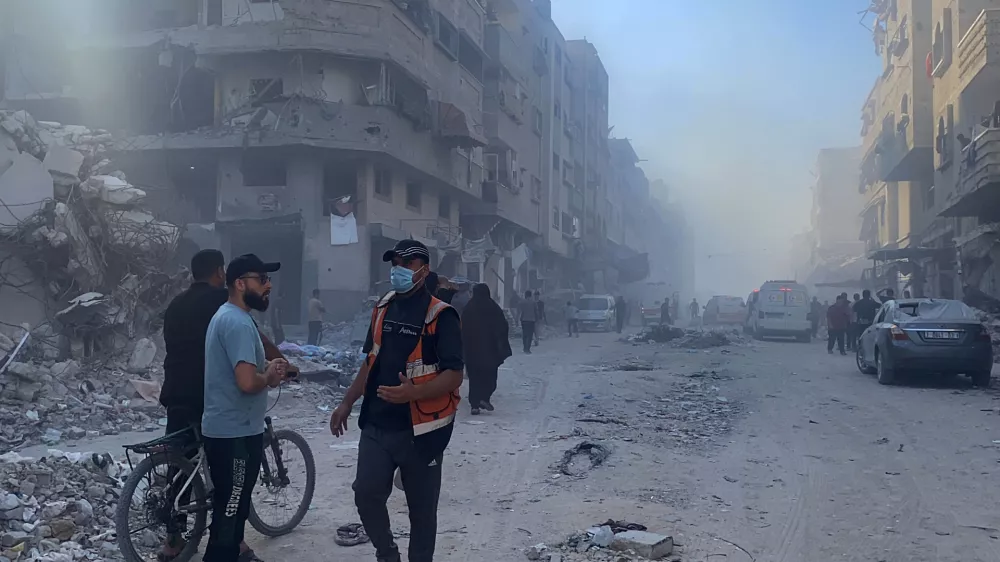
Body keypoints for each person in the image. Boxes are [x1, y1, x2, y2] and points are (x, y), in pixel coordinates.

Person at [328, 239, 463, 562]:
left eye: (407, 264)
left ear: (424, 270)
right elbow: (370, 360)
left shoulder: (441, 315)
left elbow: (454, 375)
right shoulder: (383, 307)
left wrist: (413, 392)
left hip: (422, 431)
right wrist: (347, 401)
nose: (398, 270)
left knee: (422, 511)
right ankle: (387, 553)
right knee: (366, 494)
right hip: (377, 423)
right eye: (395, 264)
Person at [160, 250, 289, 562]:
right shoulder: (229, 311)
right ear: (225, 276)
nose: (268, 285)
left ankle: (174, 540)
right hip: (221, 411)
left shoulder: (177, 305)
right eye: (262, 279)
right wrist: (277, 369)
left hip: (178, 394)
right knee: (231, 499)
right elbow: (249, 370)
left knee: (181, 470)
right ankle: (232, 545)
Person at [202, 254, 288, 562]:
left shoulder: (236, 318)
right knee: (229, 514)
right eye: (262, 279)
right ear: (240, 284)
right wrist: (268, 377)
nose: (268, 286)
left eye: (268, 279)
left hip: (239, 430)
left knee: (235, 510)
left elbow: (249, 375)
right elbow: (247, 382)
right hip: (233, 435)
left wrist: (269, 372)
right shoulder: (236, 322)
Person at [462, 284, 511, 415]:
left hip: (472, 351)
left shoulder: (469, 307)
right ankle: (484, 398)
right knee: (489, 377)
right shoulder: (493, 307)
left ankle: (474, 405)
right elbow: (503, 326)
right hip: (490, 350)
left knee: (474, 378)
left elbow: (462, 327)